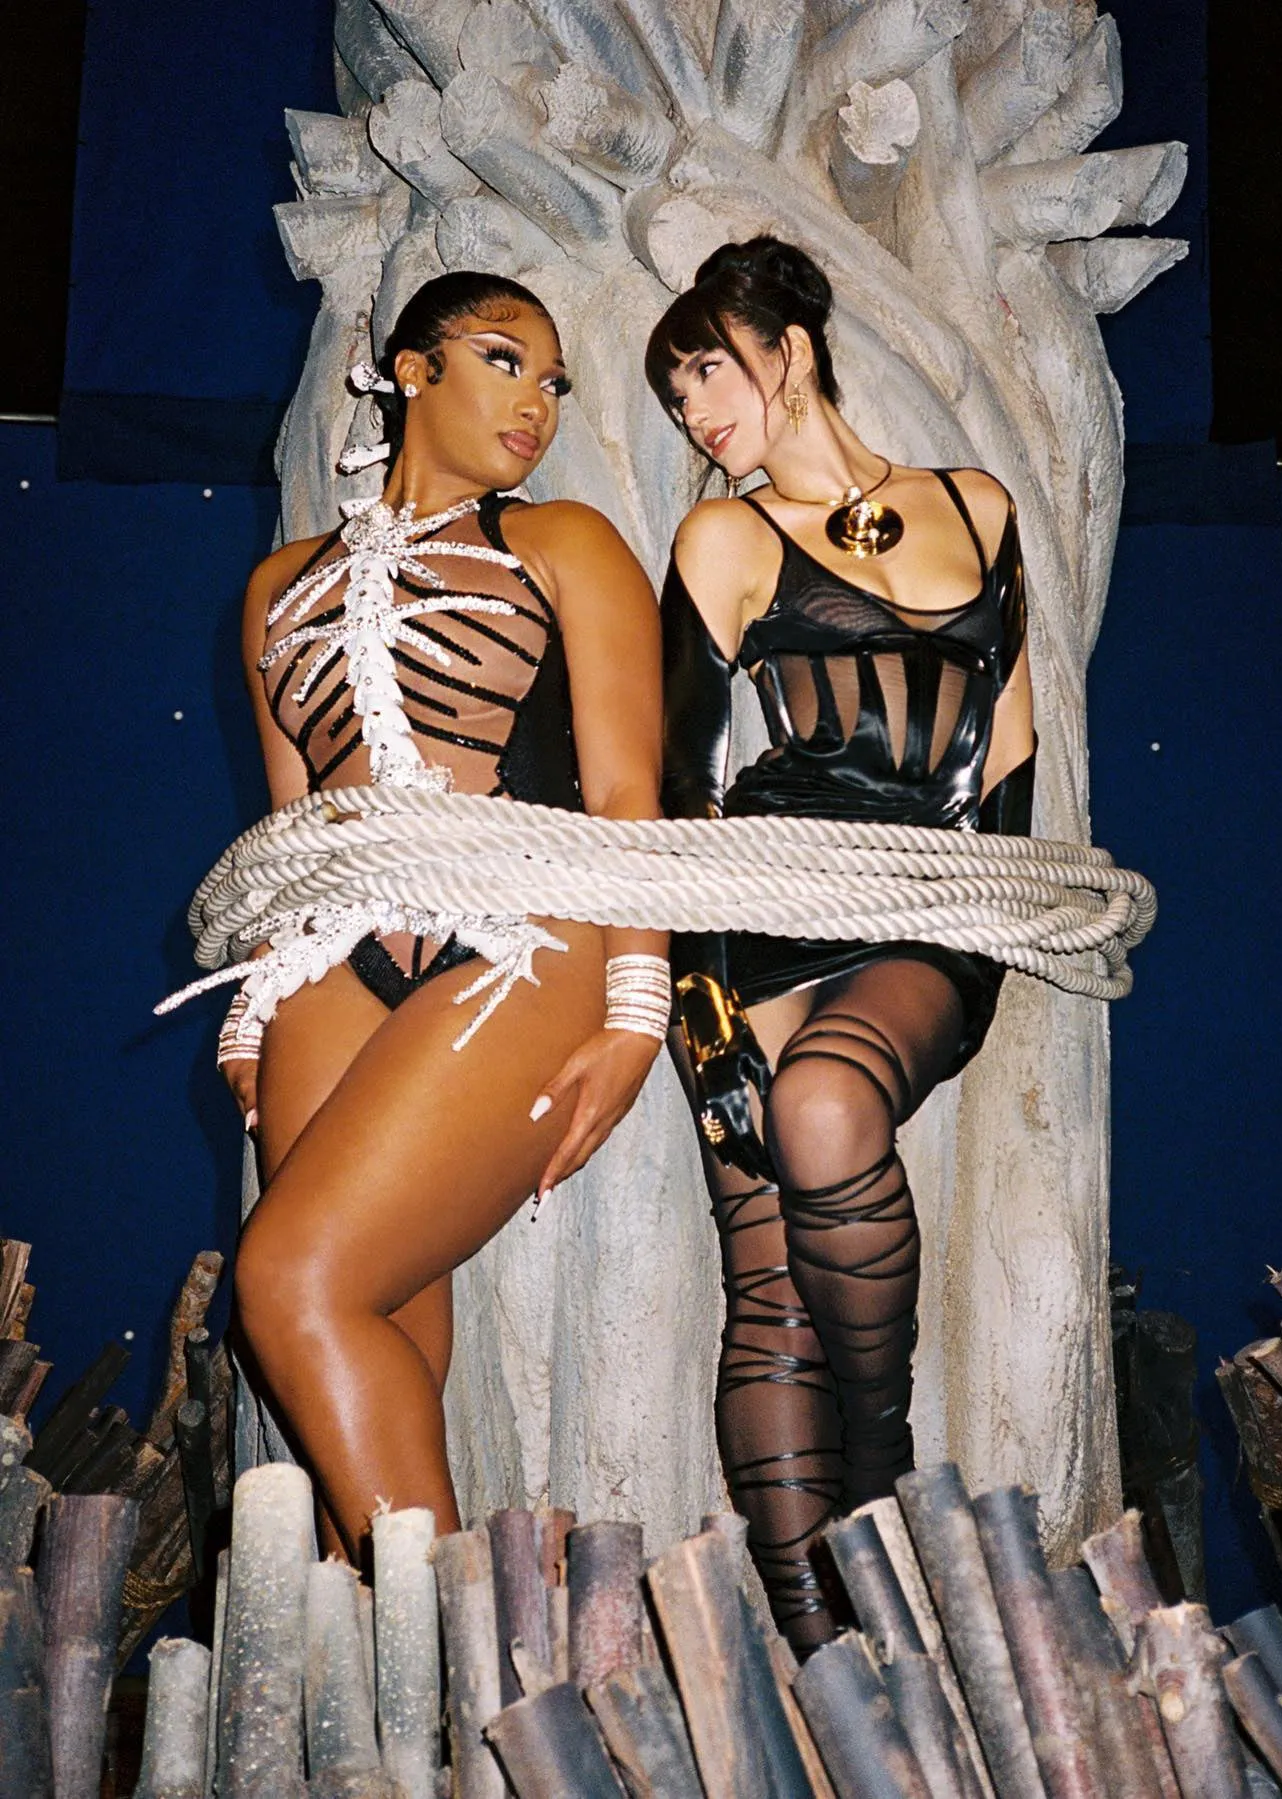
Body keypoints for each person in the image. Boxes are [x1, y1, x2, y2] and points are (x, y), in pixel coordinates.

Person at [221, 272, 667, 1560]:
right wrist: (253, 1003)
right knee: (370, 1333)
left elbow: (628, 791)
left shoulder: (565, 542)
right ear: (411, 371)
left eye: (554, 382)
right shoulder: (276, 587)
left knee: (290, 1283)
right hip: (327, 955)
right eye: (504, 360)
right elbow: (296, 829)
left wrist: (637, 1010)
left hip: (520, 934)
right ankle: (391, 1655)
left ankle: (450, 1645)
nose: (539, 402)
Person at [646, 237, 1036, 1650]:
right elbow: (681, 791)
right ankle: (826, 1653)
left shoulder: (977, 505)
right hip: (756, 914)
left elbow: (1009, 753)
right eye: (677, 397)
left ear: (788, 350)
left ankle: (881, 1474)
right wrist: (699, 1007)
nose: (696, 414)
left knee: (823, 1103)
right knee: (766, 1296)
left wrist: (989, 926)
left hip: (928, 910)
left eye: (708, 373)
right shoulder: (722, 540)